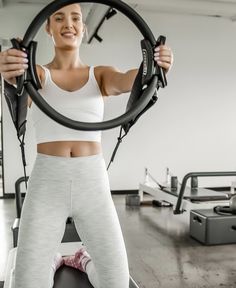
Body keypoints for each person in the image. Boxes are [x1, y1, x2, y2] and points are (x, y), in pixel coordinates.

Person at [0, 3, 173, 288]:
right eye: (59, 18)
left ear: (83, 28)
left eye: (75, 18)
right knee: (27, 283)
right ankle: (53, 260)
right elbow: (16, 82)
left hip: (91, 183)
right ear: (48, 28)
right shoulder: (37, 75)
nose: (68, 23)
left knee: (115, 282)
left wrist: (157, 64)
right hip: (47, 184)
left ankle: (84, 259)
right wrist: (9, 70)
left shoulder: (100, 75)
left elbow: (133, 79)